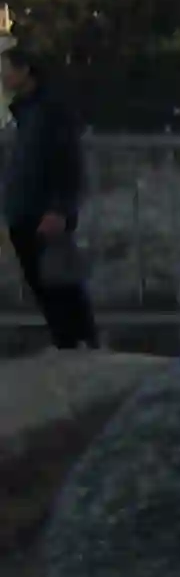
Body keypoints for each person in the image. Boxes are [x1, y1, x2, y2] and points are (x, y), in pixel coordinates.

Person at [2, 43, 96, 350]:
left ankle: (80, 342)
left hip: (43, 211)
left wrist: (59, 209)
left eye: (6, 69)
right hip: (24, 210)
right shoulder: (25, 112)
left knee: (58, 280)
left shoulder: (50, 109)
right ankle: (67, 342)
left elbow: (67, 162)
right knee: (43, 284)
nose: (2, 77)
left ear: (25, 70)